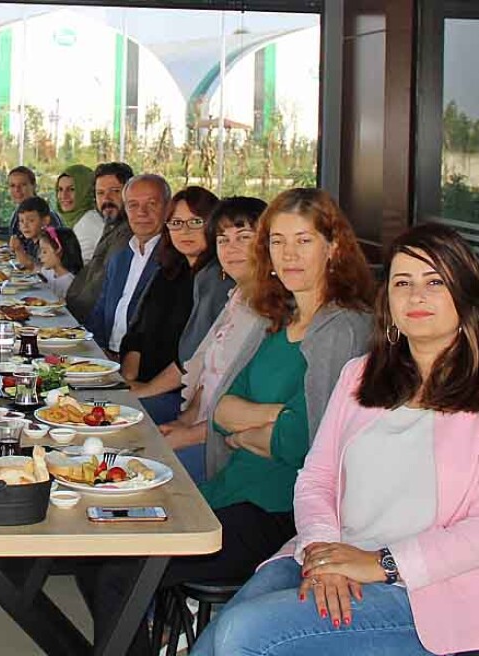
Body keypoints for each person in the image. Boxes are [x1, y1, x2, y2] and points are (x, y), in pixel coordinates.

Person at [195, 223, 479, 656]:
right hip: (330, 554)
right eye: (402, 283)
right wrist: (325, 553)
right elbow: (316, 477)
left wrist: (380, 564)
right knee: (222, 632)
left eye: (434, 282)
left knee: (242, 636)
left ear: (466, 295)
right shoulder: (360, 375)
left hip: (431, 592)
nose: (416, 296)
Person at [77, 188, 376, 656]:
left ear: (333, 248)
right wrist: (263, 422)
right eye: (278, 242)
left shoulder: (342, 326)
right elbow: (221, 408)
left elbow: (306, 440)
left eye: (304, 241)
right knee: (94, 541)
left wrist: (254, 425)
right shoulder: (278, 316)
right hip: (231, 484)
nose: (289, 254)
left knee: (119, 570)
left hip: (281, 513)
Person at [159, 197, 268, 485]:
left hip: (229, 445)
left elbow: (253, 410)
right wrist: (182, 422)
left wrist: (189, 435)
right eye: (223, 239)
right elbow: (206, 377)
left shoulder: (274, 312)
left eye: (244, 237)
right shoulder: (236, 298)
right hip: (198, 426)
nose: (231, 248)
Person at [121, 186, 220, 426]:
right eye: (175, 223)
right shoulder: (168, 271)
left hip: (180, 396)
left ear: (214, 224)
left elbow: (194, 354)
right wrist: (128, 380)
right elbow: (137, 332)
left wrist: (145, 390)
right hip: (144, 382)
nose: (184, 231)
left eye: (195, 222)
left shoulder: (217, 279)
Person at [86, 173, 171, 353]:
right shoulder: (120, 258)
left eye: (151, 204)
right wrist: (96, 354)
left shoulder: (173, 260)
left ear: (168, 209)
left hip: (144, 368)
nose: (142, 212)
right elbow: (99, 315)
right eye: (133, 205)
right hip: (108, 358)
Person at [65, 161, 134, 322]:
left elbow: (100, 285)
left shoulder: (129, 234)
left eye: (114, 191)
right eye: (100, 193)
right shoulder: (111, 227)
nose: (106, 199)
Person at [37, 224, 84, 299]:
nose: (40, 256)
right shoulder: (50, 272)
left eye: (44, 252)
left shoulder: (70, 283)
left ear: (59, 250)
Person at [9, 195, 52, 270]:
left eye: (31, 220)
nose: (25, 225)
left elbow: (38, 270)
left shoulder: (48, 244)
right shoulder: (31, 242)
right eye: (22, 221)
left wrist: (18, 250)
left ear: (45, 221)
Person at [55, 163, 97, 232]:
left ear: (85, 191)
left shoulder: (88, 224)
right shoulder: (77, 221)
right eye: (60, 189)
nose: (63, 196)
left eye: (71, 189)